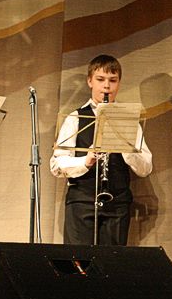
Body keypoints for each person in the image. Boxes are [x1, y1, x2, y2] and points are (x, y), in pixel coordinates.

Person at [50, 54, 152, 245]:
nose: (106, 86)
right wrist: (86, 160)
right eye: (100, 79)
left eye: (112, 80)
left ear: (119, 83)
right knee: (80, 260)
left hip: (117, 204)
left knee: (111, 262)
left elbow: (146, 167)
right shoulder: (76, 118)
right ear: (90, 81)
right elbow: (56, 165)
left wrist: (127, 150)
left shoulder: (127, 120)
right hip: (82, 202)